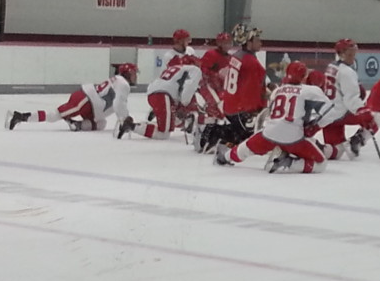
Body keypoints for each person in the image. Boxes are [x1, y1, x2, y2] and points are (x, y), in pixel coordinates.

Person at [215, 62, 342, 173]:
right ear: (304, 76)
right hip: (294, 138)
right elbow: (333, 111)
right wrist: (316, 126)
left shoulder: (278, 91)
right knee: (321, 164)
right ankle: (289, 163)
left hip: (269, 134)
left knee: (247, 147)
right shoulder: (310, 91)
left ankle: (225, 157)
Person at [197, 24, 268, 152]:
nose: (261, 43)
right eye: (257, 40)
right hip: (240, 108)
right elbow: (252, 90)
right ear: (248, 42)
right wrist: (258, 107)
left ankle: (218, 137)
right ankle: (217, 134)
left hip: (231, 104)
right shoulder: (250, 62)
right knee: (243, 138)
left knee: (241, 135)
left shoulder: (237, 56)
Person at [6, 63, 138, 132]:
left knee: (100, 124)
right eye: (133, 73)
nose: (135, 76)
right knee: (54, 116)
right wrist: (124, 119)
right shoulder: (123, 84)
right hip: (87, 100)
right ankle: (21, 116)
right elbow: (119, 104)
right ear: (128, 73)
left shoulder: (119, 81)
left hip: (91, 104)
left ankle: (77, 125)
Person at [118, 58, 202, 139]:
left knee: (171, 122)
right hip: (163, 95)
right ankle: (132, 126)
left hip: (155, 93)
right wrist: (184, 105)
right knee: (163, 134)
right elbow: (186, 94)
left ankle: (146, 120)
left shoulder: (177, 68)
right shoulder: (196, 70)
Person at [322, 39, 377, 159]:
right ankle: (357, 140)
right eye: (350, 52)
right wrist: (363, 111)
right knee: (377, 117)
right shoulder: (347, 71)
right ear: (341, 53)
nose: (353, 55)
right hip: (340, 114)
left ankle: (317, 149)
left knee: (335, 153)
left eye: (354, 52)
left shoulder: (331, 66)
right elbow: (350, 99)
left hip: (327, 117)